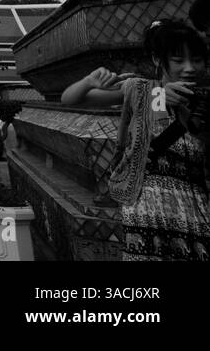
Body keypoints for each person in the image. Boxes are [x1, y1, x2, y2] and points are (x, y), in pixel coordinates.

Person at [61, 19, 210, 261]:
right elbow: (71, 100)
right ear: (157, 60)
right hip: (146, 207)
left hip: (196, 206)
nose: (190, 67)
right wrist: (89, 80)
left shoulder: (204, 100)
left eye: (196, 59)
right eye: (178, 60)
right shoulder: (140, 90)